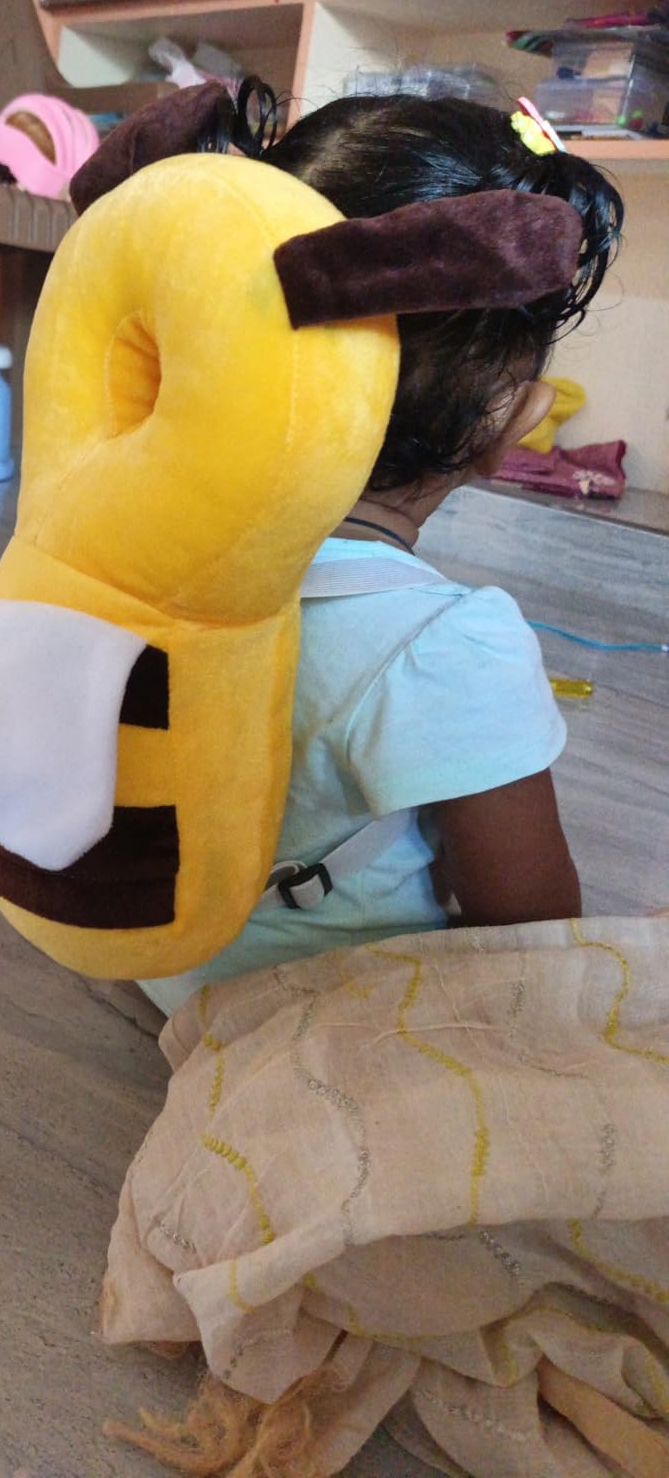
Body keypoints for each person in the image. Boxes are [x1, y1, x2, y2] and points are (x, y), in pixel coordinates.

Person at [138, 91, 624, 1016]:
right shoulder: (446, 645)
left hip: (160, 971)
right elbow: (532, 927)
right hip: (317, 1024)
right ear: (509, 421)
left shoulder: (138, 554)